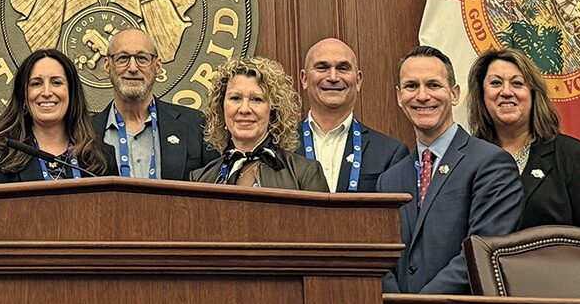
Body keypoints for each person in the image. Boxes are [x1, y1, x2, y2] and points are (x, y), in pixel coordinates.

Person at [378, 46, 523, 294]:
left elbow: (482, 250)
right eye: (411, 86)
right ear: (399, 97)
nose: (422, 96)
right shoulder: (389, 180)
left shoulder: (492, 163)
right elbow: (381, 256)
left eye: (434, 85)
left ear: (454, 94)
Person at [464, 48, 580, 235]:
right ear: (482, 95)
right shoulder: (467, 160)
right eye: (496, 83)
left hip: (560, 264)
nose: (506, 92)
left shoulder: (574, 156)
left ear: (533, 93)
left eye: (517, 83)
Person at [89, 28, 216, 180]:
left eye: (142, 58)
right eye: (123, 58)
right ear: (107, 66)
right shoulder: (85, 132)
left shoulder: (196, 125)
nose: (133, 68)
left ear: (157, 66)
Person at [0, 49, 114, 183]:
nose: (46, 92)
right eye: (36, 84)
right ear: (24, 98)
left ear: (71, 94)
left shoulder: (101, 156)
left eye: (56, 82)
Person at [191, 56, 328, 191]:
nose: (244, 109)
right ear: (221, 108)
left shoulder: (305, 173)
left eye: (256, 99)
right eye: (235, 98)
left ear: (274, 111)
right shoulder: (200, 178)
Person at [297, 37, 411, 192]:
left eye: (343, 68)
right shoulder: (279, 147)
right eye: (322, 67)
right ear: (304, 79)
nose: (333, 77)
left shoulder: (390, 153)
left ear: (358, 81)